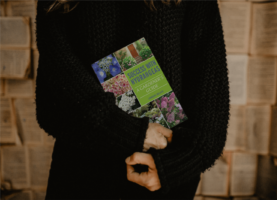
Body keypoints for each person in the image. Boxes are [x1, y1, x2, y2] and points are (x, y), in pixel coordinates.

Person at [35, 0, 229, 199]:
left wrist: (183, 162)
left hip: (160, 166)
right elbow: (53, 94)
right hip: (81, 167)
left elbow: (210, 80)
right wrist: (131, 132)